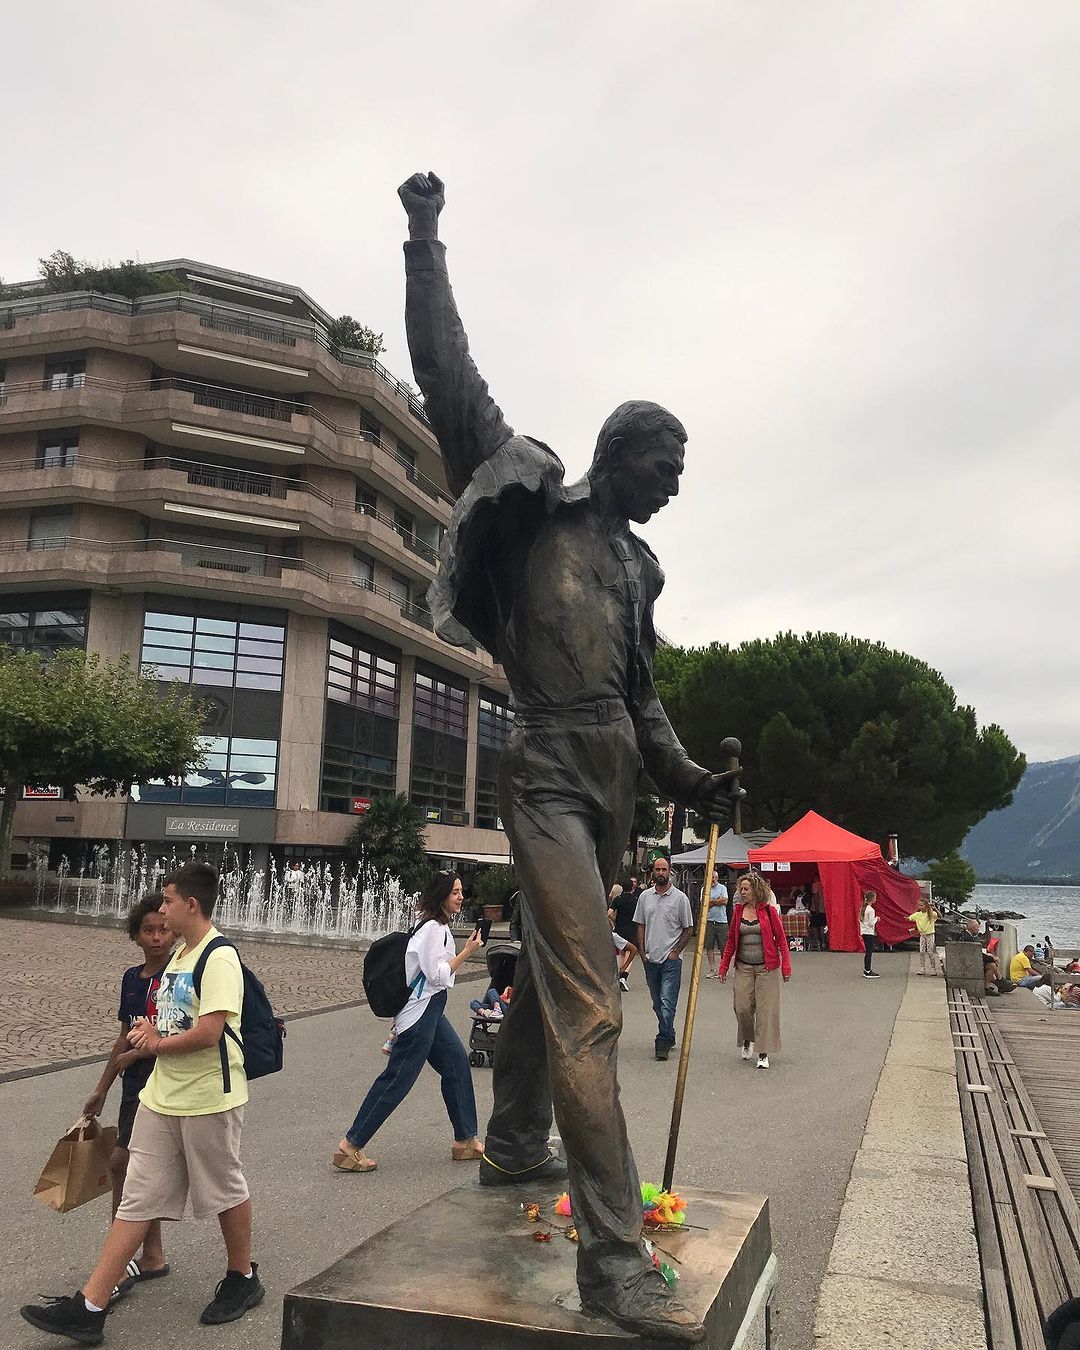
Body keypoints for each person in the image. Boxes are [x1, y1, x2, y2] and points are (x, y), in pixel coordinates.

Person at [397, 171, 740, 1340]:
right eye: (669, 465)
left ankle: (513, 1142)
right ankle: (611, 1258)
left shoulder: (640, 569)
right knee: (592, 1004)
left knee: (558, 977)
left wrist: (691, 776)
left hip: (614, 789)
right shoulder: (534, 508)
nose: (677, 485)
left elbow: (643, 700)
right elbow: (449, 375)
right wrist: (425, 238)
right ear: (622, 450)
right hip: (543, 774)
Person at [21, 862, 262, 1344]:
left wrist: (151, 1044)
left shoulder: (218, 957)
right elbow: (161, 1024)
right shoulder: (178, 957)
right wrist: (124, 1061)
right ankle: (91, 1306)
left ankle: (242, 1277)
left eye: (168, 900)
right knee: (136, 1195)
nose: (162, 907)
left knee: (222, 1188)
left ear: (190, 904)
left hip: (208, 1097)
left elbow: (209, 1032)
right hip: (161, 1096)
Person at [334, 872, 484, 1173]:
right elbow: (438, 975)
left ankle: (465, 1139)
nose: (460, 897)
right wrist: (468, 951)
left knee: (456, 1063)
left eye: (460, 892)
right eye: (454, 892)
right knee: (397, 1079)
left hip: (430, 1010)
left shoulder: (435, 927)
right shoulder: (432, 930)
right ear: (441, 895)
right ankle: (350, 1146)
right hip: (420, 1013)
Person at [81, 893, 173, 1300]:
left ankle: (118, 1259)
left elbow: (179, 1033)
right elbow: (122, 1038)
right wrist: (101, 1088)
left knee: (123, 1164)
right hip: (133, 1085)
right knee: (135, 1169)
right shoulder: (132, 979)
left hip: (164, 1080)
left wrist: (141, 1051)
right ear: (135, 936)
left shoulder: (176, 977)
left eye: (163, 929)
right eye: (147, 930)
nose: (156, 937)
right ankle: (152, 1254)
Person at [718, 872, 791, 1069]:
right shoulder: (739, 911)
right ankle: (748, 1039)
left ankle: (763, 1053)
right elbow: (731, 942)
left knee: (766, 1011)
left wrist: (786, 967)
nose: (742, 892)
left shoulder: (769, 912)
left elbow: (782, 941)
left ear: (755, 890)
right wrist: (723, 967)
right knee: (741, 1007)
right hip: (744, 967)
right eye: (740, 889)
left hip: (767, 968)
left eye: (745, 889)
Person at [634, 858, 694, 1061]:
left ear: (670, 872)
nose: (661, 872)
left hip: (671, 960)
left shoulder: (680, 899)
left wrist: (676, 951)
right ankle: (670, 1033)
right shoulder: (644, 897)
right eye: (657, 869)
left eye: (664, 869)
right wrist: (642, 953)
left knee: (668, 1002)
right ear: (653, 872)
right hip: (651, 958)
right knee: (657, 1003)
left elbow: (688, 928)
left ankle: (662, 1041)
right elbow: (640, 925)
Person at [704, 868, 729, 978]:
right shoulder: (704, 889)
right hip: (709, 921)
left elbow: (725, 901)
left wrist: (711, 901)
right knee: (709, 946)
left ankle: (723, 969)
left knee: (724, 947)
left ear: (717, 878)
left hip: (722, 921)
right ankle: (712, 969)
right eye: (710, 877)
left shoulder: (723, 888)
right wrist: (717, 901)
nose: (712, 880)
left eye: (713, 877)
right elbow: (704, 905)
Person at [908, 897, 942, 976]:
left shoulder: (930, 914)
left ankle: (933, 968)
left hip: (930, 934)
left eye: (922, 905)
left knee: (930, 952)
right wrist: (908, 919)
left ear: (926, 906)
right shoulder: (918, 914)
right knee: (922, 951)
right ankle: (922, 967)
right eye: (919, 905)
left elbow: (939, 916)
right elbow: (913, 918)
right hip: (922, 935)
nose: (920, 907)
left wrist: (935, 909)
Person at [859, 890, 880, 979]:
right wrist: (877, 919)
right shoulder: (871, 910)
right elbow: (871, 923)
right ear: (872, 899)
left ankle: (867, 969)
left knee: (868, 951)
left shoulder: (863, 908)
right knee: (869, 952)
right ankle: (867, 970)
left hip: (864, 931)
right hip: (869, 932)